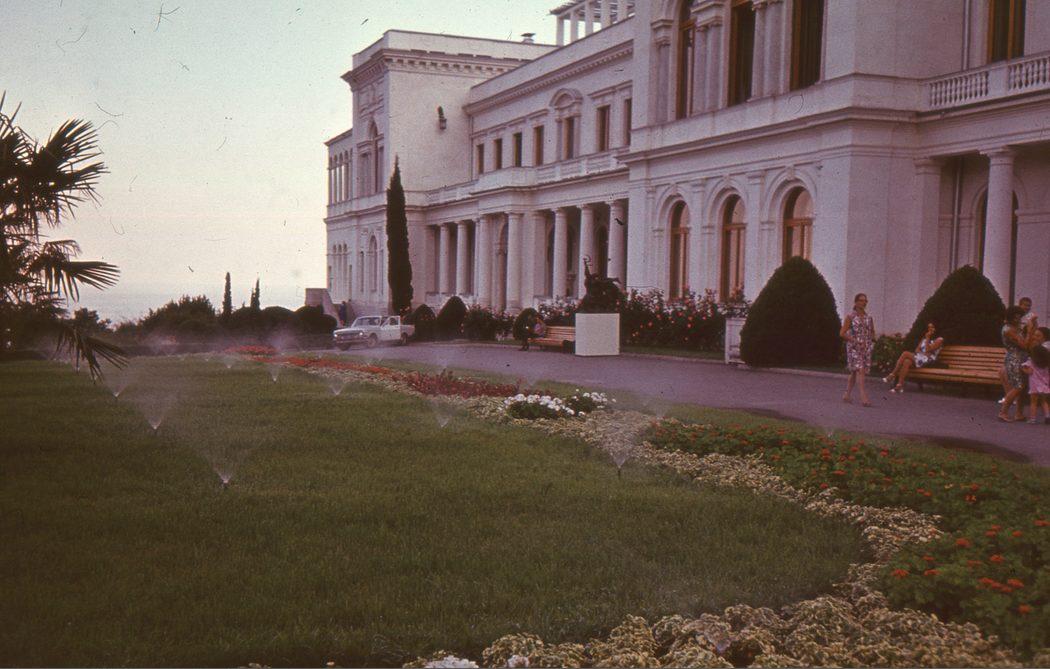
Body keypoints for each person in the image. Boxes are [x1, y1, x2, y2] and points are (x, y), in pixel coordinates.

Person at [884, 323, 944, 393]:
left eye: (932, 327)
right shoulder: (924, 338)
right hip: (920, 357)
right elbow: (917, 350)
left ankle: (892, 374)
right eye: (929, 328)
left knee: (905, 353)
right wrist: (923, 352)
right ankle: (899, 385)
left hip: (928, 360)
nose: (930, 329)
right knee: (906, 361)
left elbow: (928, 349)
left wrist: (927, 338)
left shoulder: (939, 339)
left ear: (936, 329)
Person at [840, 293, 874, 407]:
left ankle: (847, 394)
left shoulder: (869, 317)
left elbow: (872, 332)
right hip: (854, 347)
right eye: (861, 300)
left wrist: (870, 341)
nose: (864, 303)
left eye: (865, 301)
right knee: (860, 369)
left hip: (865, 347)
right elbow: (842, 333)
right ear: (856, 302)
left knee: (854, 371)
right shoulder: (850, 317)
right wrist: (855, 340)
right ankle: (863, 396)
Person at [998, 306, 1030, 422]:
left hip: (1022, 358)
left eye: (1019, 317)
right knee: (1018, 386)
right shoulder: (1009, 330)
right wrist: (1030, 331)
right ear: (1010, 317)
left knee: (1023, 387)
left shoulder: (1016, 327)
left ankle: (1019, 413)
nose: (1018, 320)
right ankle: (1003, 412)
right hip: (1014, 360)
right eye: (1015, 318)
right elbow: (1024, 345)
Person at [1022, 342, 1050, 425]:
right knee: (1043, 401)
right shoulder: (1046, 363)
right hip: (1044, 385)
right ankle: (1048, 416)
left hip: (1034, 385)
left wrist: (1023, 369)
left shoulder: (1031, 361)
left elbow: (1029, 372)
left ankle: (1032, 419)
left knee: (1033, 402)